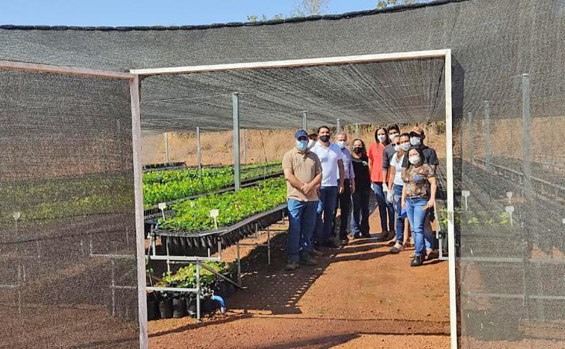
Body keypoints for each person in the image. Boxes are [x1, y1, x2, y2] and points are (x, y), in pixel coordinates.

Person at [282, 129, 323, 271]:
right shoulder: (289, 156)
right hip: (296, 198)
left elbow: (319, 174)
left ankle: (306, 254)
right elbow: (288, 175)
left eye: (304, 139)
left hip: (312, 199)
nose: (302, 142)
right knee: (294, 228)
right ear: (295, 140)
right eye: (300, 139)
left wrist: (310, 186)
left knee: (308, 228)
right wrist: (302, 186)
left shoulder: (314, 156)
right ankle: (293, 258)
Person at [401, 125, 440, 256]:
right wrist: (403, 198)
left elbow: (432, 175)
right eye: (412, 135)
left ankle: (428, 248)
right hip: (411, 195)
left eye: (417, 135)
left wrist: (431, 197)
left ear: (422, 136)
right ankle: (422, 248)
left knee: (425, 223)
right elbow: (405, 177)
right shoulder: (408, 155)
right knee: (417, 226)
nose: (413, 138)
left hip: (425, 193)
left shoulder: (430, 152)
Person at [311, 126, 344, 248]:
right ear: (318, 134)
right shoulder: (314, 149)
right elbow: (312, 169)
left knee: (330, 213)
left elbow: (341, 166)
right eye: (322, 132)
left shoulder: (335, 148)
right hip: (320, 186)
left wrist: (341, 183)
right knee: (318, 212)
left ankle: (326, 238)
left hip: (333, 186)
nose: (325, 134)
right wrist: (314, 185)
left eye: (327, 132)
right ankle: (316, 239)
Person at [367, 127, 395, 241]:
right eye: (379, 134)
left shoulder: (391, 146)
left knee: (390, 204)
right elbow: (370, 162)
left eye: (383, 133)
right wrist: (371, 178)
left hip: (389, 179)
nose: (381, 136)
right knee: (381, 204)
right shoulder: (373, 146)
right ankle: (384, 230)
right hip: (376, 179)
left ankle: (392, 229)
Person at [388, 133, 411, 253]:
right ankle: (400, 240)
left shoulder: (413, 154)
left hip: (411, 187)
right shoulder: (396, 156)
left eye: (405, 141)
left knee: (410, 213)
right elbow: (392, 174)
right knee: (399, 214)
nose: (402, 144)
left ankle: (410, 238)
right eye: (400, 142)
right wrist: (389, 188)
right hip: (398, 186)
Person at [335, 132, 355, 244]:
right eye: (340, 139)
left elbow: (350, 167)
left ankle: (343, 233)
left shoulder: (347, 152)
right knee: (333, 209)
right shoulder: (332, 151)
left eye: (344, 140)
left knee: (345, 208)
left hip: (346, 181)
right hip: (334, 182)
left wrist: (353, 182)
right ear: (336, 140)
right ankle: (331, 234)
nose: (342, 142)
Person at [350, 139, 371, 238]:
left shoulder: (366, 159)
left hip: (365, 187)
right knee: (355, 208)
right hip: (354, 187)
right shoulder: (350, 159)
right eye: (355, 145)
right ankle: (355, 230)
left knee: (365, 209)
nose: (357, 147)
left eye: (359, 145)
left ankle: (365, 230)